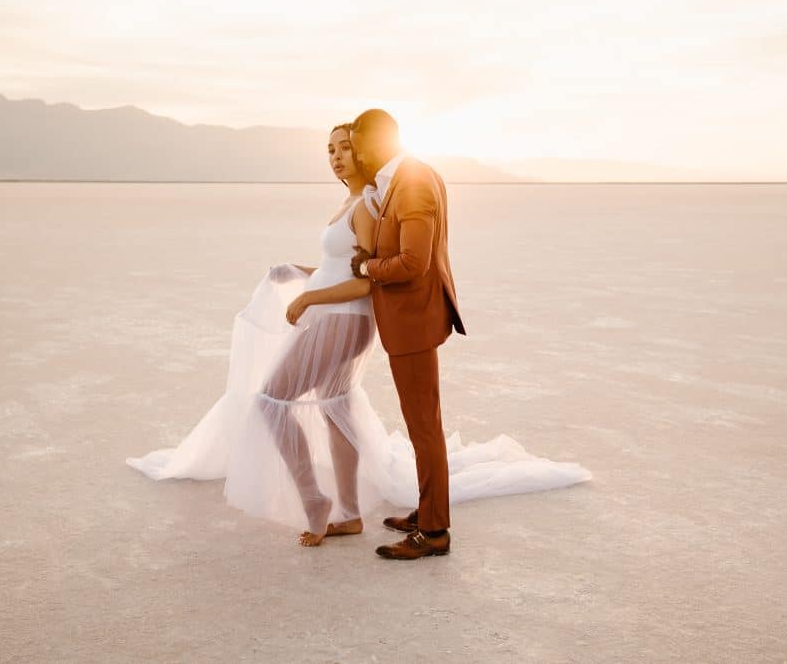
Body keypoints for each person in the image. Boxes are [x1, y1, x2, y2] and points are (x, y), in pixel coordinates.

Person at [126, 121, 593, 554]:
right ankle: (356, 513)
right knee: (336, 406)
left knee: (276, 401)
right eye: (329, 149)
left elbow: (378, 272)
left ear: (368, 151)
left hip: (350, 318)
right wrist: (301, 275)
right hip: (347, 315)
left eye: (346, 147)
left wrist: (311, 299)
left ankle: (350, 511)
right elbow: (342, 266)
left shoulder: (387, 195)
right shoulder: (370, 198)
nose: (337, 156)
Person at [349, 108, 465, 559]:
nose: (356, 158)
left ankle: (434, 532)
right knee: (424, 425)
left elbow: (412, 263)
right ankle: (428, 508)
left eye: (358, 148)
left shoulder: (413, 181)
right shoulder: (410, 176)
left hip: (413, 319)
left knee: (424, 428)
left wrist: (366, 267)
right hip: (412, 317)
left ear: (377, 143)